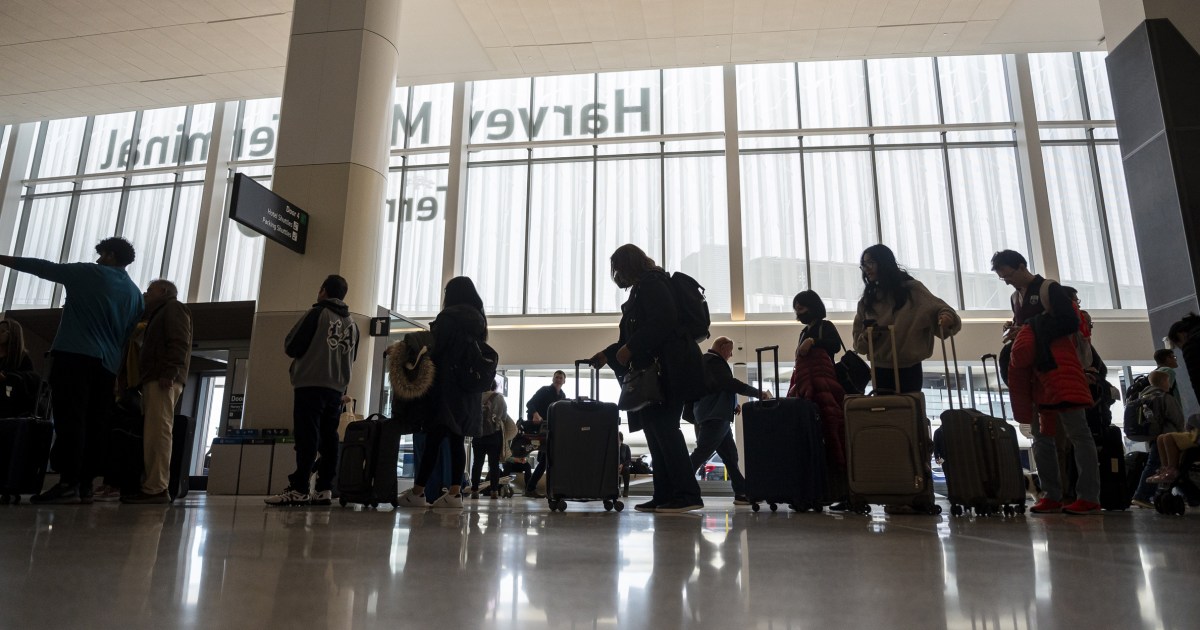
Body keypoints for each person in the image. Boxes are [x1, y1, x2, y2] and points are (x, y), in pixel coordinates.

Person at [0, 237, 143, 504]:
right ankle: (86, 485)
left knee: (70, 419)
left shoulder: (88, 273)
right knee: (96, 423)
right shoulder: (136, 295)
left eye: (102, 254)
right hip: (107, 365)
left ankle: (67, 483)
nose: (98, 259)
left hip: (75, 356)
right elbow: (127, 337)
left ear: (111, 255)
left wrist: (2, 259)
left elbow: (42, 267)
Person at [590, 244, 704, 513]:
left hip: (667, 372)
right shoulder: (644, 287)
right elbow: (633, 335)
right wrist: (609, 353)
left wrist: (630, 348)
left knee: (665, 430)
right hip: (660, 373)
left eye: (618, 268)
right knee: (656, 432)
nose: (617, 274)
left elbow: (663, 321)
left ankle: (687, 494)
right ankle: (664, 494)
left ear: (627, 265)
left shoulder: (652, 283)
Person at [992, 249, 1101, 515]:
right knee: (1041, 437)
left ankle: (1088, 496)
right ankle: (1051, 494)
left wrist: (1028, 328)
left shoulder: (1049, 288)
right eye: (1003, 278)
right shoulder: (1016, 298)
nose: (1007, 281)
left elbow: (1069, 322)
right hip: (1036, 374)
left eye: (1008, 275)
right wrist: (1020, 330)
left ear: (1021, 266)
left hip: (1060, 368)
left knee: (1077, 432)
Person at [266, 275, 360, 506]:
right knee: (329, 438)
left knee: (307, 437)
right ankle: (324, 488)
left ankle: (299, 488)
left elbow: (291, 345)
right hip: (336, 389)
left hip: (310, 384)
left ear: (323, 291)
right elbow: (351, 358)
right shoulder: (353, 325)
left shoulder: (317, 313)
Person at [397, 276, 490, 510]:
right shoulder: (479, 319)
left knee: (433, 439)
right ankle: (454, 494)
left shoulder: (448, 317)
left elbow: (436, 348)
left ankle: (418, 492)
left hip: (445, 388)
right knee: (457, 439)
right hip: (466, 391)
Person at [851, 244, 960, 393]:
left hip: (910, 369)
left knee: (909, 405)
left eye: (870, 263)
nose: (866, 269)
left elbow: (942, 309)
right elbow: (858, 346)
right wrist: (868, 336)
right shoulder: (867, 301)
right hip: (879, 369)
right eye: (863, 265)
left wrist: (946, 318)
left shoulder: (913, 290)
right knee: (886, 407)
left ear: (884, 262)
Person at [121, 280, 193, 505]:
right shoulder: (160, 312)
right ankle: (154, 484)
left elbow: (179, 341)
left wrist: (170, 371)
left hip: (162, 378)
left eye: (150, 290)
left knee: (158, 432)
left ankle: (156, 487)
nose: (146, 294)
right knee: (155, 432)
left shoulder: (173, 308)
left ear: (164, 291)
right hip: (157, 377)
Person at [787, 290, 850, 508]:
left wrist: (813, 341)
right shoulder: (804, 332)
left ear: (812, 307)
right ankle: (821, 491)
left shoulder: (824, 326)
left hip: (823, 387)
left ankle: (837, 491)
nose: (798, 313)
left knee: (830, 434)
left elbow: (834, 346)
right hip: (811, 387)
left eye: (801, 308)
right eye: (796, 309)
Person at [690, 336, 768, 505]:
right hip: (715, 416)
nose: (731, 355)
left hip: (717, 415)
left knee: (730, 456)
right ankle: (677, 486)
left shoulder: (710, 362)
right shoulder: (712, 361)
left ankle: (742, 492)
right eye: (730, 351)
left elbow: (717, 388)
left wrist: (733, 404)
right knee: (702, 453)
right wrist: (757, 393)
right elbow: (730, 383)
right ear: (723, 347)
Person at [1129, 371, 1186, 507]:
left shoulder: (1143, 397)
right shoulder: (1165, 397)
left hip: (1153, 436)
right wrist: (1182, 433)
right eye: (1168, 381)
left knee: (1159, 466)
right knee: (1166, 466)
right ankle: (1142, 495)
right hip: (1167, 437)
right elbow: (1177, 418)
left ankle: (1154, 495)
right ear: (1163, 382)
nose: (1169, 384)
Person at [520, 370, 566, 498]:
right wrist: (535, 414)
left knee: (546, 460)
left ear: (564, 381)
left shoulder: (562, 396)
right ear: (553, 379)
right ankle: (532, 488)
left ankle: (534, 488)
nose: (558, 379)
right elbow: (530, 403)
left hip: (553, 431)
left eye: (560, 378)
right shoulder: (544, 390)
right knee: (546, 460)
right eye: (556, 377)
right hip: (541, 429)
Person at [470, 382, 509, 499]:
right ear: (495, 386)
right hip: (494, 436)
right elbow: (504, 416)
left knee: (477, 463)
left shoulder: (476, 397)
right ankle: (494, 491)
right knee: (494, 465)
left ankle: (475, 490)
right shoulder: (499, 398)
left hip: (478, 435)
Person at [0, 318, 39, 418]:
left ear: (12, 335)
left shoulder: (22, 359)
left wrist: (7, 377)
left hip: (9, 408)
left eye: (2, 331)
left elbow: (30, 383)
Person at [618, 431, 632, 498]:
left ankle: (626, 490)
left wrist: (622, 465)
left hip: (624, 465)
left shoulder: (626, 447)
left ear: (621, 438)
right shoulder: (612, 447)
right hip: (615, 466)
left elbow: (629, 459)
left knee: (626, 470)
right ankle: (617, 490)